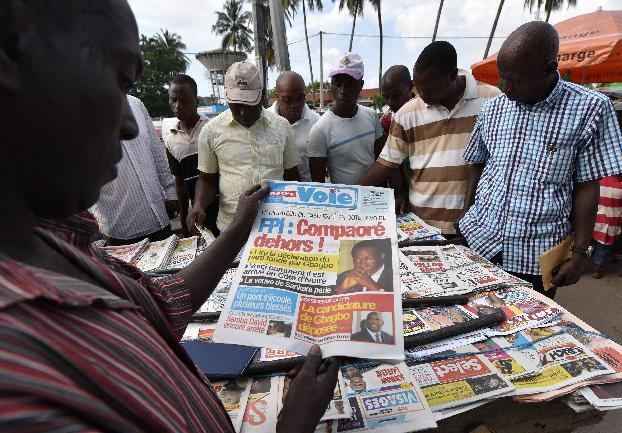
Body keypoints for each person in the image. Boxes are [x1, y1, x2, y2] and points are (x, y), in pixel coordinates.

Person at [0, 2, 338, 433]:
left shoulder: (62, 245)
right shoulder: (16, 382)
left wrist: (236, 229)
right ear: (11, 57)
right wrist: (293, 424)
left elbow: (161, 305)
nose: (130, 124)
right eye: (119, 80)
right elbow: (205, 185)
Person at [459, 22, 622, 298]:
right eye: (502, 78)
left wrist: (580, 252)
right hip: (479, 241)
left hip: (536, 257)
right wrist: (466, 211)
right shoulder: (494, 109)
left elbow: (587, 185)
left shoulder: (591, 109)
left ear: (549, 69)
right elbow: (476, 161)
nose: (505, 87)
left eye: (514, 79)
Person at [358, 42, 500, 235]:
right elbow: (386, 164)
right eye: (418, 89)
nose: (422, 96)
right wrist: (348, 196)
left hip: (477, 227)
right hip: (422, 227)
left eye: (429, 90)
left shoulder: (492, 101)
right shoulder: (407, 113)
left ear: (451, 75)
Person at [188, 62, 301, 233]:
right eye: (236, 104)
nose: (242, 112)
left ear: (262, 95)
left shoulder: (282, 127)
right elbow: (206, 179)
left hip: (278, 226)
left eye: (249, 104)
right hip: (231, 230)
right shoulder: (211, 131)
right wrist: (199, 205)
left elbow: (292, 177)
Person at [90, 95, 179, 245]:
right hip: (119, 231)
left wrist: (170, 192)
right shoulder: (81, 111)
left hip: (160, 221)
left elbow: (156, 151)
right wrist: (94, 216)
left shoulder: (136, 103)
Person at [308, 53, 385, 185]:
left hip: (376, 198)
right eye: (337, 84)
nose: (343, 91)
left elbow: (383, 159)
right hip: (345, 202)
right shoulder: (320, 130)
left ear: (361, 85)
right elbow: (318, 184)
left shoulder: (371, 115)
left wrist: (396, 191)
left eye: (350, 84)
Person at [166, 74, 219, 237]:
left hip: (224, 209)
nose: (178, 106)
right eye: (173, 100)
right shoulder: (171, 141)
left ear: (196, 102)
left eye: (184, 100)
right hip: (197, 216)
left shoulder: (213, 129)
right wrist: (183, 221)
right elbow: (180, 184)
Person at [269, 71, 320, 182]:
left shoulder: (317, 122)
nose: (295, 105)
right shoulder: (265, 122)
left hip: (308, 192)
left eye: (300, 98)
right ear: (277, 97)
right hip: (274, 193)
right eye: (288, 100)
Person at [591, 102, 622, 278]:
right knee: (603, 246)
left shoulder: (601, 183)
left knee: (597, 243)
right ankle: (598, 267)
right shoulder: (618, 187)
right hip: (612, 224)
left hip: (597, 220)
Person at [379, 65, 414, 135]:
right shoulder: (386, 124)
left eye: (396, 95)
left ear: (410, 86)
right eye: (386, 97)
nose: (390, 102)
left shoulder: (430, 114)